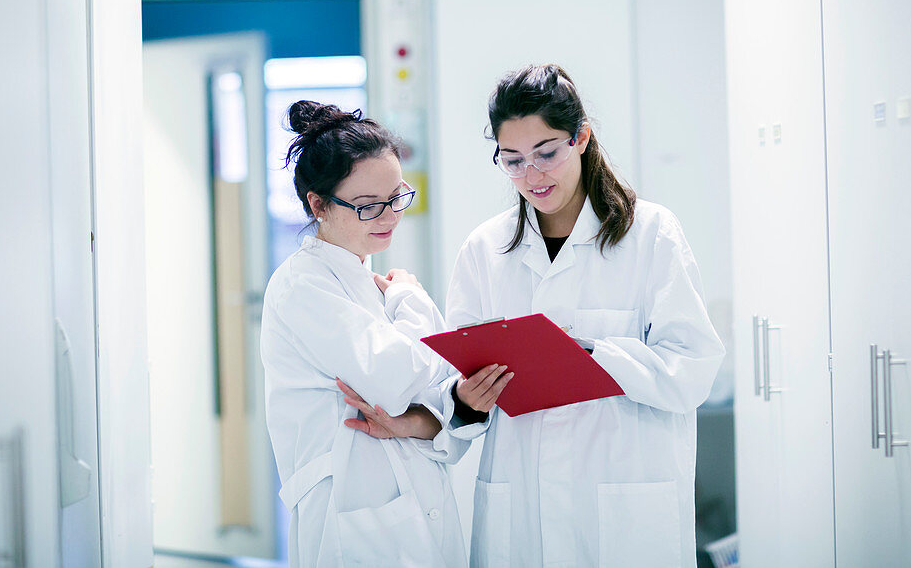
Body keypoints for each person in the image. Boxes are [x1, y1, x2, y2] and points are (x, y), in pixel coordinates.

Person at [444, 64, 726, 567]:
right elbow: (454, 390)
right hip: (522, 499)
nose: (532, 175)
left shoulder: (652, 235)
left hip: (625, 503)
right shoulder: (484, 250)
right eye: (512, 160)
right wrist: (466, 400)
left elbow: (693, 368)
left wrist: (594, 354)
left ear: (582, 137)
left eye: (546, 153)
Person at [260, 100, 469, 567]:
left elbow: (442, 384)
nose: (390, 215)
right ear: (318, 204)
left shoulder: (365, 280)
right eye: (369, 205)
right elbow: (400, 380)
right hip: (351, 509)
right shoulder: (304, 285)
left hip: (409, 497)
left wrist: (421, 404)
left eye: (397, 197)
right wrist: (411, 299)